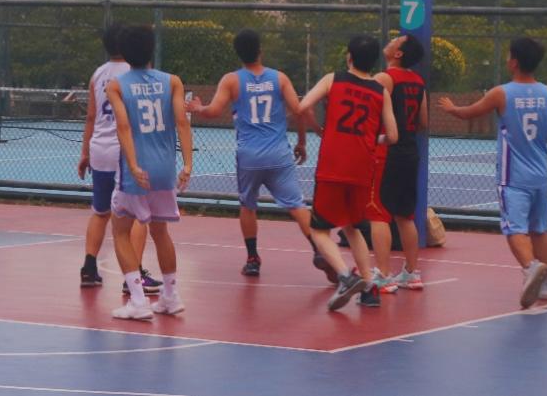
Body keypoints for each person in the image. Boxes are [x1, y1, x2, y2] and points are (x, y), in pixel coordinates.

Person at [187, 28, 336, 283]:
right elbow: (300, 110)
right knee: (297, 205)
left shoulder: (232, 80)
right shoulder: (279, 78)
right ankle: (319, 249)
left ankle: (253, 259)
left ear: (238, 54)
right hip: (278, 154)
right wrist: (303, 142)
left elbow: (214, 111)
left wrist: (197, 107)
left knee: (248, 205)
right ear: (260, 51)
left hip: (249, 155)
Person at [438, 37, 547, 309]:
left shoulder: (501, 93)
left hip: (513, 176)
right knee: (540, 230)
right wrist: (540, 136)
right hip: (539, 175)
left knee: (514, 229)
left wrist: (452, 108)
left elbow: (469, 113)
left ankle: (531, 268)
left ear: (514, 62)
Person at [296, 35, 398, 311]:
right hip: (362, 168)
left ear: (349, 57)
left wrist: (318, 129)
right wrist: (372, 139)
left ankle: (345, 275)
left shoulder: (334, 79)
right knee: (353, 227)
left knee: (319, 230)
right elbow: (392, 136)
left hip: (333, 165)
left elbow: (302, 107)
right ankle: (370, 288)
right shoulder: (380, 91)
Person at [107, 25, 193, 320]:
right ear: (151, 49)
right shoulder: (172, 81)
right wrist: (188, 164)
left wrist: (132, 164)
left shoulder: (117, 85)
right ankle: (170, 296)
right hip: (165, 169)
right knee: (160, 231)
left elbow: (123, 126)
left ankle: (138, 301)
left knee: (120, 230)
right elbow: (182, 122)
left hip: (137, 172)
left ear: (123, 53)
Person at [77, 23, 158, 295]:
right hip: (125, 151)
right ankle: (134, 275)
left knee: (100, 212)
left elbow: (91, 116)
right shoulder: (135, 74)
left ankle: (89, 267)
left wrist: (85, 152)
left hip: (100, 149)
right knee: (138, 216)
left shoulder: (98, 74)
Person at [368, 35, 430, 294]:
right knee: (405, 215)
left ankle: (383, 274)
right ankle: (411, 273)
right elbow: (423, 122)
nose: (391, 40)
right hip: (410, 151)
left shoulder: (384, 79)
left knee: (379, 213)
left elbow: (368, 112)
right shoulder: (418, 81)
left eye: (396, 40)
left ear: (399, 53)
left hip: (388, 151)